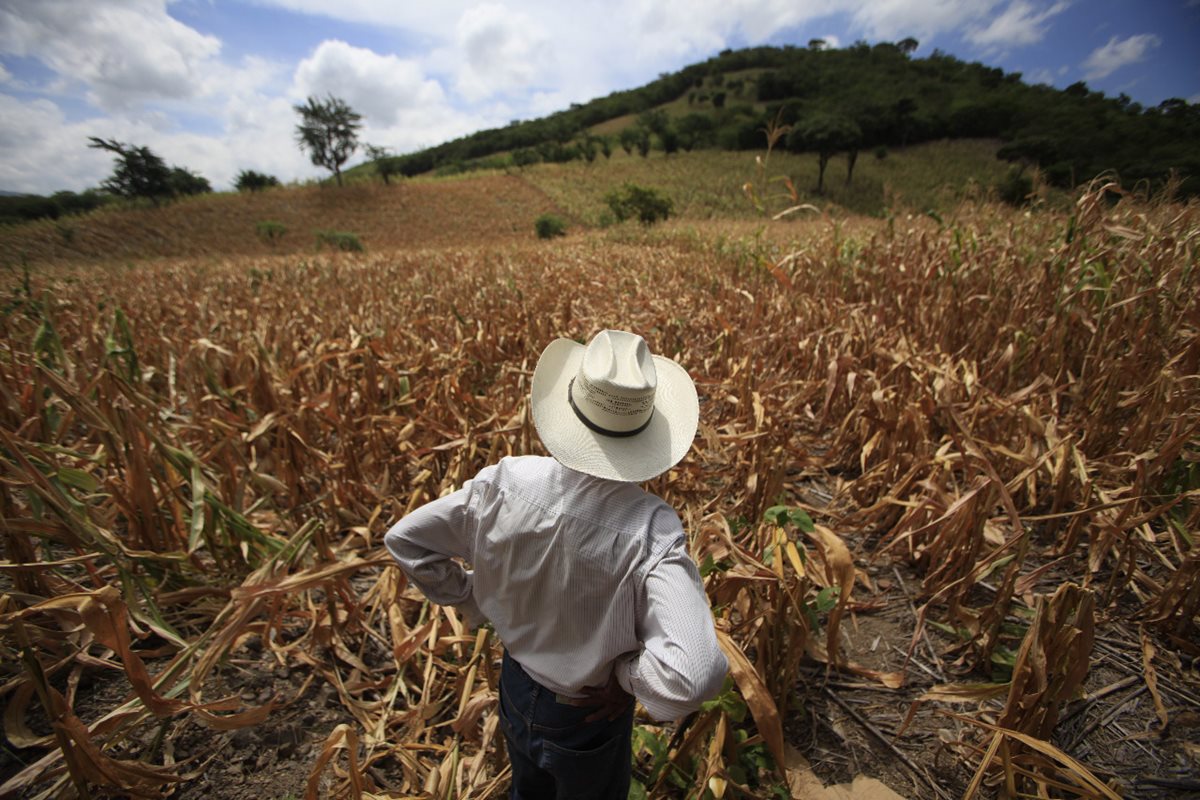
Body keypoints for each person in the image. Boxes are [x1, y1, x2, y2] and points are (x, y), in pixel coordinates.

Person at [385, 329, 728, 800]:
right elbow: (694, 674)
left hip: (515, 683)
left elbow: (407, 540)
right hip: (584, 709)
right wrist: (626, 677)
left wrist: (472, 597)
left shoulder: (505, 482)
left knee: (529, 789)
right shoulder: (649, 529)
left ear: (571, 408)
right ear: (645, 429)